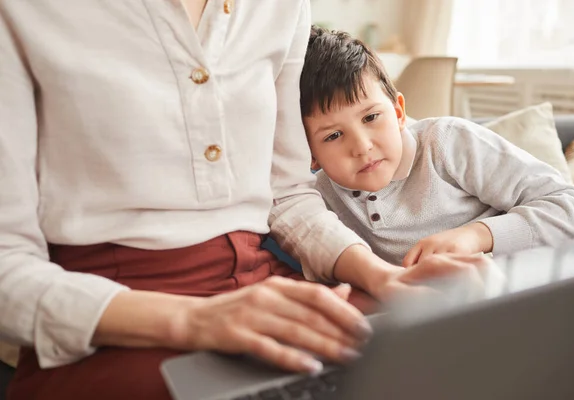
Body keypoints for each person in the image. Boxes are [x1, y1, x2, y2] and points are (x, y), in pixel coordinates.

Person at [0, 2, 490, 399]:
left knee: (437, 347)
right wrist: (195, 321)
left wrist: (380, 275)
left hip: (263, 284)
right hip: (114, 314)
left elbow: (285, 193)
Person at [300, 26, 574, 268]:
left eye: (371, 117)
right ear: (310, 154)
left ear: (399, 112)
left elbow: (573, 206)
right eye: (333, 136)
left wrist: (475, 237)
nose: (362, 147)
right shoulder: (315, 197)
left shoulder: (447, 142)